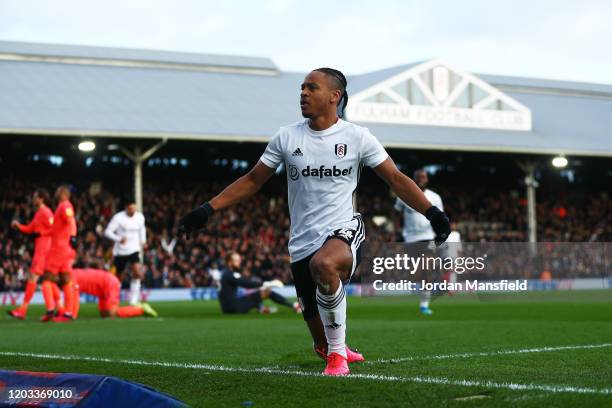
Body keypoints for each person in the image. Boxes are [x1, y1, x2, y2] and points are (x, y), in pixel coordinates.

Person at [178, 68, 450, 375]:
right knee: (320, 336)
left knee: (324, 265)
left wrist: (432, 213)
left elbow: (396, 179)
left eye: (312, 87)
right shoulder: (287, 136)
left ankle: (338, 357)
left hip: (344, 229)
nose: (303, 93)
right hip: (302, 240)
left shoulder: (357, 137)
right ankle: (332, 347)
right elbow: (253, 180)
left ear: (335, 96)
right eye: (302, 88)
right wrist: (206, 210)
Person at [394, 169, 444, 315]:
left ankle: (424, 304)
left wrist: (439, 234)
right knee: (416, 272)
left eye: (424, 177)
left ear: (427, 179)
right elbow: (396, 214)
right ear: (413, 179)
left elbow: (440, 217)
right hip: (410, 238)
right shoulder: (403, 195)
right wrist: (397, 232)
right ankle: (421, 294)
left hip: (428, 236)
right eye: (418, 177)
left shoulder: (435, 197)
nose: (421, 179)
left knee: (427, 269)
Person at [7, 189, 63, 319]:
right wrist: (19, 226)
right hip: (41, 248)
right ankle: (60, 308)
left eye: (35, 197)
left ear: (41, 199)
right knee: (49, 281)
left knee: (33, 278)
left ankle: (23, 309)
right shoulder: (39, 213)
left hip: (45, 249)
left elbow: (55, 228)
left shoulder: (46, 212)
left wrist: (41, 234)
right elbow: (30, 228)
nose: (33, 199)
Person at [218, 252, 300, 314]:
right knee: (267, 291)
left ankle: (261, 308)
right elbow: (246, 284)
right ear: (229, 262)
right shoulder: (230, 274)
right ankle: (295, 306)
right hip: (234, 307)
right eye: (236, 260)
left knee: (254, 294)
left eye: (239, 260)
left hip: (226, 308)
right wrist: (267, 283)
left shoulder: (224, 273)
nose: (239, 262)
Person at [41, 185, 77, 322]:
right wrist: (41, 233)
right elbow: (56, 229)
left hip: (58, 249)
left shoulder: (64, 206)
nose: (56, 194)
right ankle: (68, 313)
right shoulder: (62, 207)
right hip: (66, 250)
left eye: (58, 192)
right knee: (66, 280)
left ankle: (50, 309)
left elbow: (71, 221)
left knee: (46, 279)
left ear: (62, 193)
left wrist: (73, 236)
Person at [105, 197, 147, 305]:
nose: (133, 210)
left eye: (134, 207)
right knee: (118, 278)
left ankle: (133, 300)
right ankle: (114, 299)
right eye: (130, 208)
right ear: (126, 208)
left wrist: (143, 240)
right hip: (120, 252)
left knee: (137, 272)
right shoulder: (118, 218)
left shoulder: (140, 217)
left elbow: (142, 229)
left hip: (134, 250)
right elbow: (107, 232)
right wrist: (119, 239)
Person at [70, 268, 157, 319]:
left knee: (112, 313)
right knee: (105, 315)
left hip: (109, 283)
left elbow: (74, 300)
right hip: (103, 286)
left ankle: (140, 309)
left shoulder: (71, 277)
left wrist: (71, 315)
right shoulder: (71, 274)